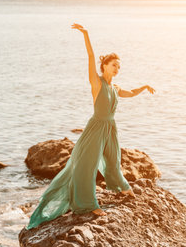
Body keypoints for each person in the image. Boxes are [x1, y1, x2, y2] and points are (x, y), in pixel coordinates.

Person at [26, 23, 156, 230]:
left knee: (114, 159)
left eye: (119, 66)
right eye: (114, 65)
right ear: (104, 65)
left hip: (110, 128)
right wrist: (86, 35)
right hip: (96, 128)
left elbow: (129, 93)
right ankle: (86, 204)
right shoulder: (97, 82)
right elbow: (89, 56)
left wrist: (144, 87)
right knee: (87, 166)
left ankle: (122, 188)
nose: (117, 68)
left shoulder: (115, 87)